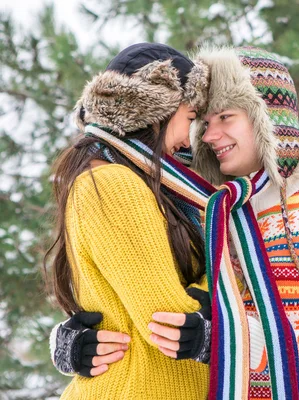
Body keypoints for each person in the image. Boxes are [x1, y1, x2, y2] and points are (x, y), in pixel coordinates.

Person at [50, 46, 299, 400]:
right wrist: (77, 342)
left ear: (268, 119)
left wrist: (235, 343)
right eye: (203, 122)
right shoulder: (206, 211)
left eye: (226, 117)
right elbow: (148, 293)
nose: (210, 136)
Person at [44, 42, 212, 399]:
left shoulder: (150, 184)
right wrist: (229, 298)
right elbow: (166, 321)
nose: (188, 138)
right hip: (141, 385)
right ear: (158, 111)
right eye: (191, 118)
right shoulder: (113, 185)